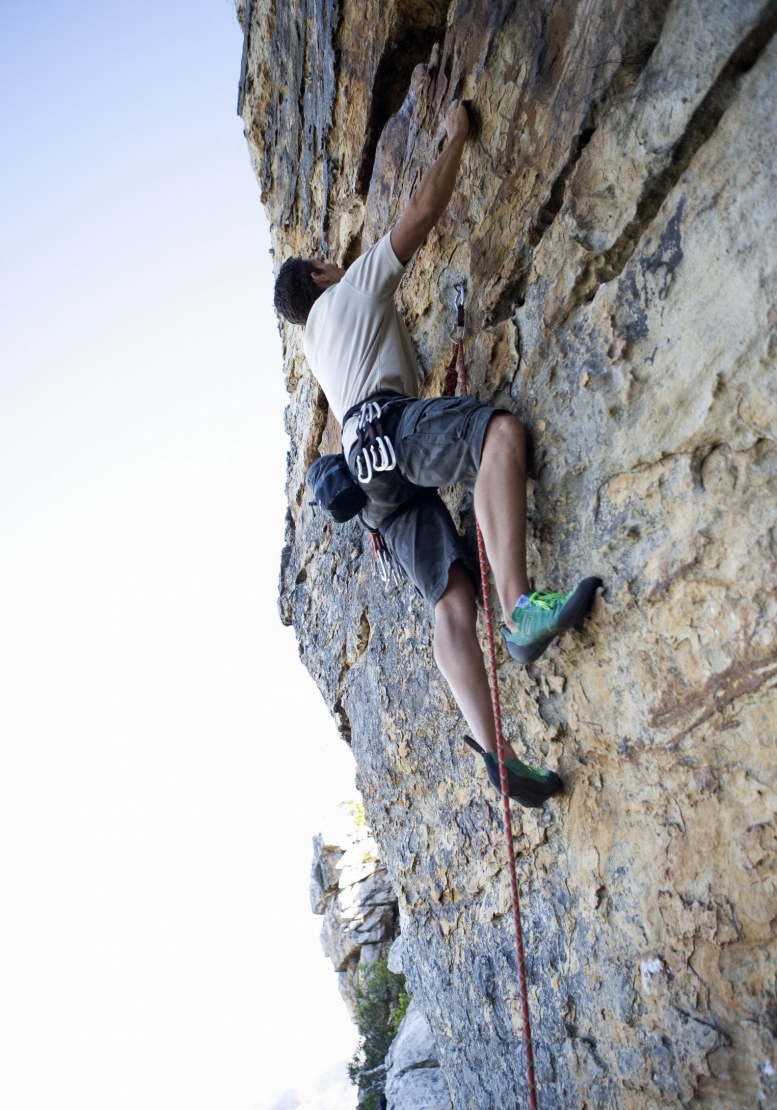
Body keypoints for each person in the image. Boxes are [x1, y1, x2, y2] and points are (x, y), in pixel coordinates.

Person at [273, 100, 600, 808]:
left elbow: (348, 426)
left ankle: (493, 750)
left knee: (450, 597)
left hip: (371, 480)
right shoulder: (345, 294)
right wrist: (455, 136)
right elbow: (420, 213)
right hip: (392, 434)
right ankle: (518, 609)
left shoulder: (320, 352)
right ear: (324, 274)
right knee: (498, 436)